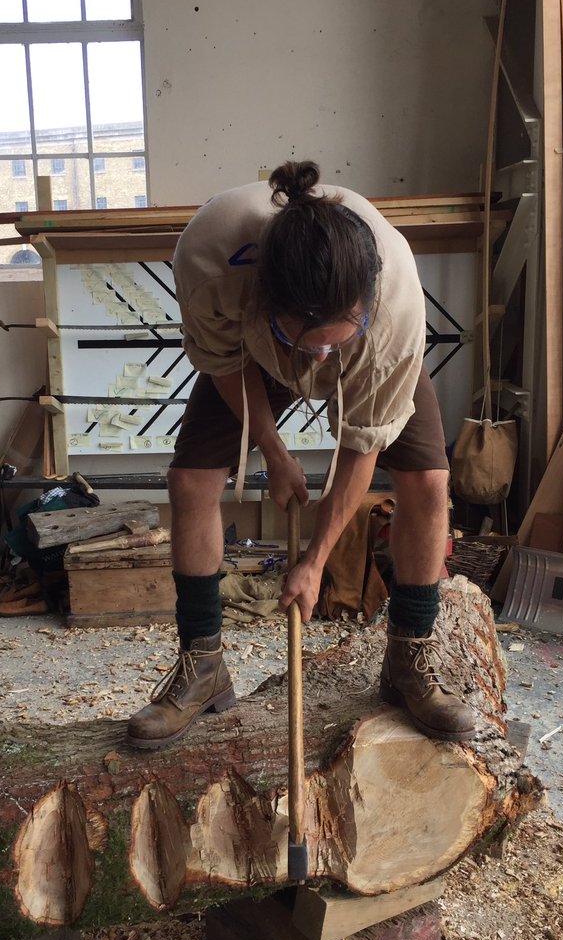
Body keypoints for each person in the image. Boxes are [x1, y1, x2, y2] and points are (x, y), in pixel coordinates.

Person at [126, 160, 475, 749]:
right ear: (265, 301)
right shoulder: (211, 257)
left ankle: (409, 657)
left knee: (428, 483)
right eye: (303, 344)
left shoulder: (393, 313)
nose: (318, 365)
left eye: (331, 346)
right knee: (190, 481)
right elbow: (226, 363)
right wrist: (273, 450)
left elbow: (362, 445)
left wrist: (314, 561)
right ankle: (203, 665)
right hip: (252, 351)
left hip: (369, 347)